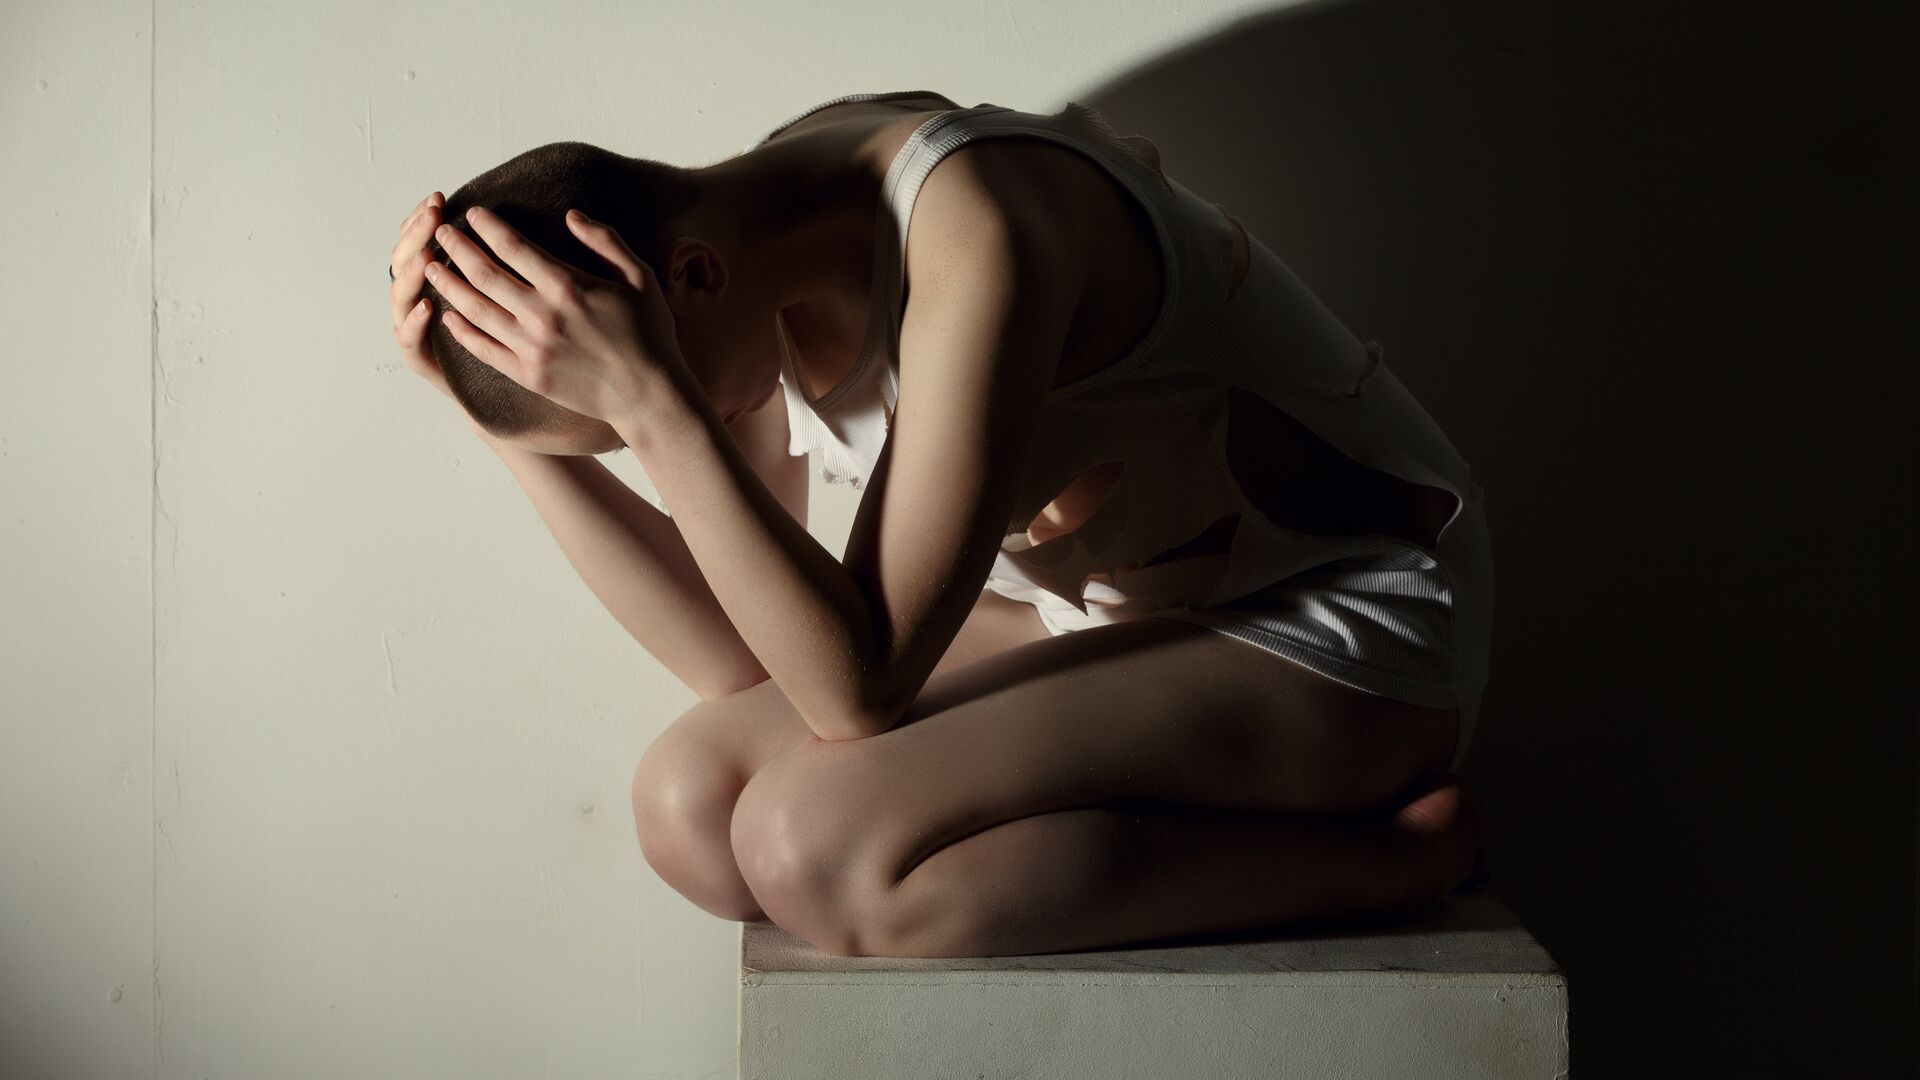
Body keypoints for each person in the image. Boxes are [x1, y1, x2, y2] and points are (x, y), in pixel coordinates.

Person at [383, 89, 1493, 959]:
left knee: (813, 845)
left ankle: (1378, 864)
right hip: (1113, 613)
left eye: (644, 409)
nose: (667, 437)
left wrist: (656, 404)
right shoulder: (749, 251)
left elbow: (854, 690)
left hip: (1334, 623)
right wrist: (493, 417)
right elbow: (744, 655)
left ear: (691, 273)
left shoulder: (977, 229)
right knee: (689, 807)